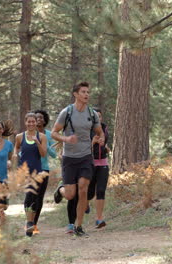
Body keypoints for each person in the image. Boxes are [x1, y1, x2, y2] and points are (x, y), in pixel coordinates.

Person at [51, 82, 105, 237]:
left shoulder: (92, 113)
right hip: (69, 158)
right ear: (75, 94)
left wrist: (100, 139)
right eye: (83, 92)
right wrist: (66, 139)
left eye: (88, 92)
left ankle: (79, 226)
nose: (87, 95)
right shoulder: (66, 112)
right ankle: (60, 190)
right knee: (70, 195)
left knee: (83, 189)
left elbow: (99, 132)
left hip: (86, 157)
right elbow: (54, 133)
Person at [14, 112, 47, 237]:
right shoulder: (19, 137)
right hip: (24, 171)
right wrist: (14, 153)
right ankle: (28, 223)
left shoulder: (42, 136)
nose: (31, 123)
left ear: (36, 123)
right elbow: (16, 148)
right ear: (25, 122)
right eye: (29, 121)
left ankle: (31, 223)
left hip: (37, 171)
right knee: (29, 194)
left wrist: (37, 142)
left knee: (34, 197)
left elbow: (43, 154)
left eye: (33, 121)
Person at [31, 109, 57, 235]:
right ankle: (29, 222)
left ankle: (34, 224)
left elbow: (53, 155)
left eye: (41, 118)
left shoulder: (48, 135)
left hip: (44, 169)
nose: (39, 120)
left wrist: (45, 145)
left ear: (45, 120)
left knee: (39, 198)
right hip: (31, 169)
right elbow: (21, 152)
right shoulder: (28, 134)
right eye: (36, 118)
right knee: (31, 197)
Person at [87, 108, 110, 228]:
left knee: (101, 191)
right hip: (89, 163)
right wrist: (92, 142)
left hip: (103, 164)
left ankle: (99, 219)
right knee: (89, 192)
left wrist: (104, 146)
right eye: (95, 117)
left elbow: (105, 143)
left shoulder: (105, 129)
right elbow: (82, 147)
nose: (98, 119)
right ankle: (85, 203)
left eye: (100, 117)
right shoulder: (86, 129)